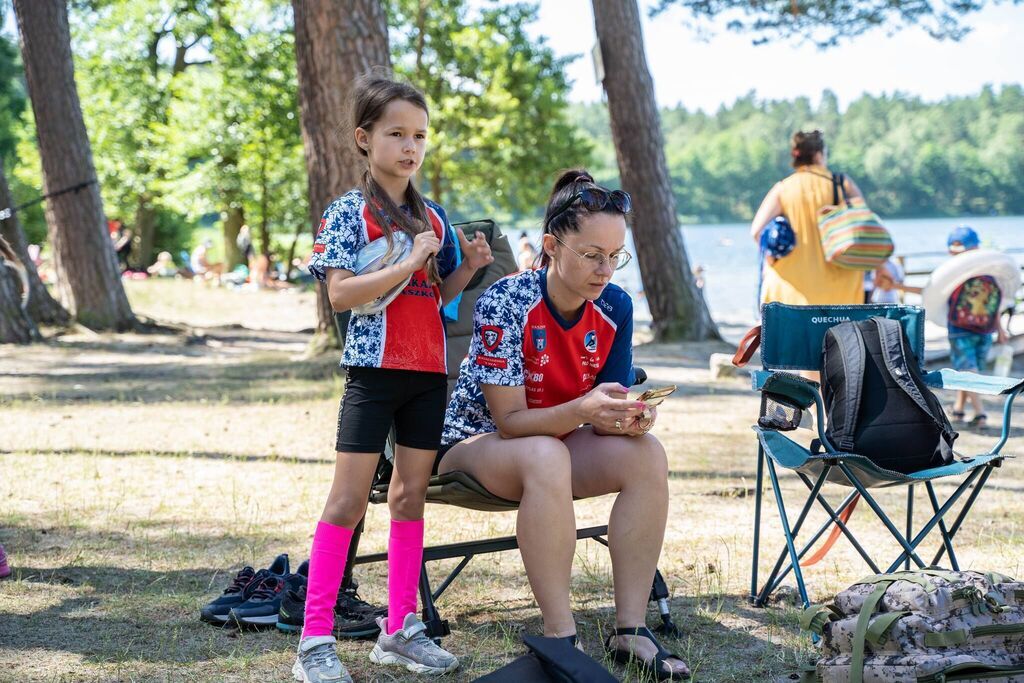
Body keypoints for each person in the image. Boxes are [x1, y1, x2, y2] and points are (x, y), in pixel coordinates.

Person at [437, 169, 689, 680]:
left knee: (648, 455)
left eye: (615, 256)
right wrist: (581, 411)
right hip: (474, 443)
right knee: (545, 452)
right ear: (551, 245)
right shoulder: (505, 302)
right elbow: (508, 423)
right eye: (592, 255)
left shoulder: (614, 306)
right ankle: (560, 637)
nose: (605, 270)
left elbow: (605, 405)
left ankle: (630, 630)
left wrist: (628, 419)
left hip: (555, 441)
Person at [294, 72, 493, 683]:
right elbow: (341, 295)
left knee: (410, 497)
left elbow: (437, 300)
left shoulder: (432, 214)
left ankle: (400, 629)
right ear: (364, 138)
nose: (411, 146)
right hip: (373, 374)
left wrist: (470, 268)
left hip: (429, 373)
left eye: (420, 136)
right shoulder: (348, 213)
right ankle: (314, 641)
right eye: (397, 133)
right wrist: (408, 260)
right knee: (348, 501)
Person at [900, 226, 1009, 429]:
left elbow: (928, 292)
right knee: (969, 369)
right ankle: (958, 409)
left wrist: (898, 287)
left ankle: (980, 414)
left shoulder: (953, 275)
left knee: (967, 371)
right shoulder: (990, 271)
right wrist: (1000, 329)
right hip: (985, 330)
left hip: (961, 330)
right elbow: (997, 304)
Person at [750, 130, 865, 307]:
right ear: (818, 155)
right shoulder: (842, 184)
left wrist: (773, 257)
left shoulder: (783, 188)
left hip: (790, 289)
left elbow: (756, 232)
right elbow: (866, 226)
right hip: (840, 288)